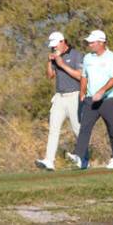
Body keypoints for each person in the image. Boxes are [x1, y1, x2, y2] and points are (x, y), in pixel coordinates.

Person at [74, 30, 113, 170]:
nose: (89, 44)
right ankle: (79, 156)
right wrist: (82, 92)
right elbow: (84, 76)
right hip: (91, 99)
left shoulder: (112, 57)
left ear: (101, 42)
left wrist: (102, 91)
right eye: (89, 42)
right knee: (84, 127)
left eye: (92, 42)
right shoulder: (88, 58)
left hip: (109, 99)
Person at [35, 31, 84, 171]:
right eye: (52, 46)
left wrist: (61, 64)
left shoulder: (76, 55)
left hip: (74, 96)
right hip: (59, 97)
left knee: (77, 129)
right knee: (53, 129)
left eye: (55, 45)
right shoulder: (55, 56)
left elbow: (80, 76)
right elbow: (50, 76)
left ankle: (83, 158)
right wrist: (50, 62)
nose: (53, 48)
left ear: (63, 42)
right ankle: (49, 160)